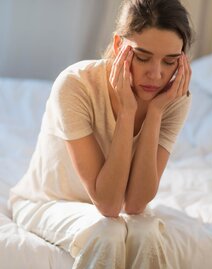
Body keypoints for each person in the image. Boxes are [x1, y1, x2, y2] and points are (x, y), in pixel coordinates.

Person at [8, 0, 193, 268]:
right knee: (108, 231)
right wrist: (127, 112)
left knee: (146, 231)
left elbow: (135, 204)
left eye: (170, 61)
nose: (156, 74)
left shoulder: (174, 99)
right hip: (46, 202)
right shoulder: (75, 85)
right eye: (142, 57)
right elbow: (109, 206)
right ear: (119, 46)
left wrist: (154, 114)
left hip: (111, 209)